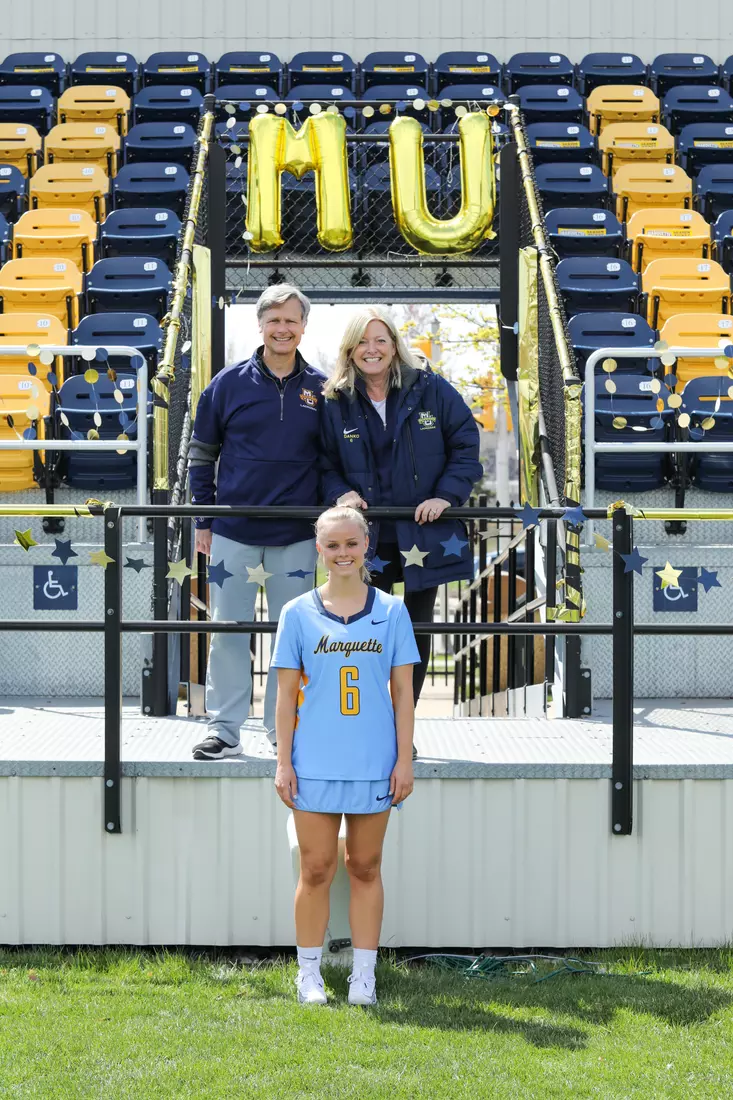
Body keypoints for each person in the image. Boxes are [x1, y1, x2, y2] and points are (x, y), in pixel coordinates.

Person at [271, 505, 419, 1006]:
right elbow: (285, 698)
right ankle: (308, 974)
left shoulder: (392, 612)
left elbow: (403, 694)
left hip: (373, 761)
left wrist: (404, 760)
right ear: (319, 549)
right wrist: (283, 761)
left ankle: (363, 976)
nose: (342, 554)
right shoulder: (297, 614)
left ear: (366, 547)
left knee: (366, 866)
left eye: (351, 544)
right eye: (332, 545)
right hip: (314, 760)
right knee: (315, 868)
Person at [319, 307, 482, 725]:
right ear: (350, 349)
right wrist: (341, 493)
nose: (371, 350)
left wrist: (446, 496)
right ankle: (369, 721)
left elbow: (466, 444)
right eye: (362, 341)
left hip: (423, 533)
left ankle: (401, 724)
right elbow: (322, 462)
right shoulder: (335, 400)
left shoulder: (431, 388)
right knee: (365, 631)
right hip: (368, 535)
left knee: (415, 630)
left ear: (394, 346)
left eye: (380, 341)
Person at [188, 284, 325, 760]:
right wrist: (203, 518)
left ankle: (282, 730)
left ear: (303, 326)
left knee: (295, 637)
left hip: (296, 536)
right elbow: (201, 455)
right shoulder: (227, 384)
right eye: (274, 320)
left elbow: (332, 460)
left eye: (291, 320)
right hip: (233, 532)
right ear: (261, 325)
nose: (282, 328)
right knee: (227, 631)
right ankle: (224, 728)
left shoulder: (323, 389)